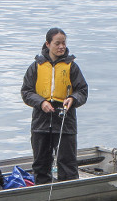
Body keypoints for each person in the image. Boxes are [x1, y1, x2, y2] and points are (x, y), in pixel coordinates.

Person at [21, 28, 88, 184]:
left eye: (63, 43)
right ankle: (42, 193)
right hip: (41, 121)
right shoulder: (35, 67)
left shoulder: (72, 66)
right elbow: (26, 92)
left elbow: (82, 91)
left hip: (65, 120)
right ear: (48, 44)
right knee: (41, 162)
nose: (61, 47)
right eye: (57, 43)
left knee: (67, 162)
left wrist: (73, 98)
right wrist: (41, 102)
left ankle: (69, 193)